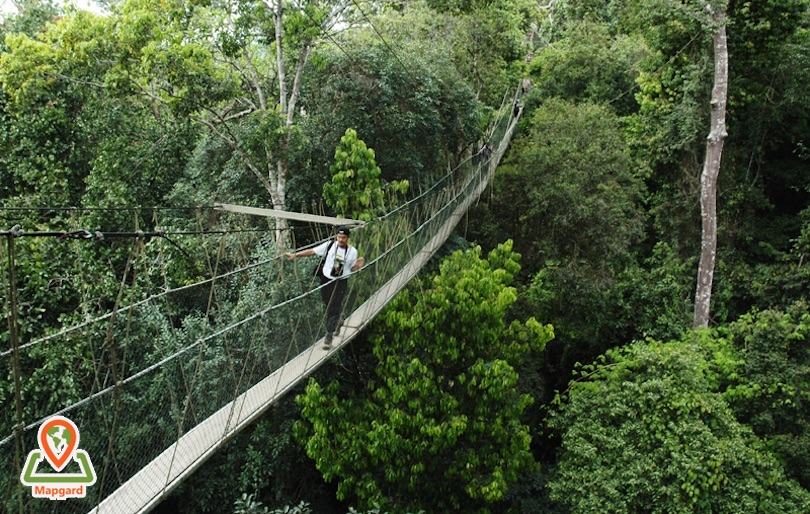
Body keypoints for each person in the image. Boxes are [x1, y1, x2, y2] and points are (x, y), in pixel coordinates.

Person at [285, 226, 364, 349]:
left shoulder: (352, 252)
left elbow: (352, 267)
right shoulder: (330, 245)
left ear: (348, 238)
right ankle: (338, 321)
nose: (341, 240)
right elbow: (312, 251)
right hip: (326, 280)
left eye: (343, 237)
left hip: (341, 282)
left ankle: (329, 335)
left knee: (333, 307)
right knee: (328, 304)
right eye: (339, 237)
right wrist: (295, 255)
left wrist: (358, 264)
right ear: (336, 236)